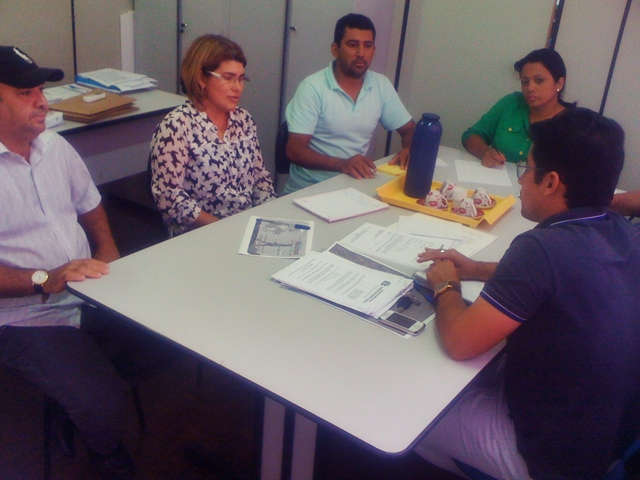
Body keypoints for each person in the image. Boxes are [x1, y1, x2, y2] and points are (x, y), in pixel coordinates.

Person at [414, 108, 640, 479]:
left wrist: (446, 283)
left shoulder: (540, 248)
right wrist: (475, 269)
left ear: (551, 182)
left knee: (416, 413)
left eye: (527, 169)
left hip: (553, 460)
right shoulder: (622, 231)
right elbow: (557, 277)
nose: (520, 181)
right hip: (610, 441)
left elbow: (459, 342)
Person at [0, 46, 134, 478]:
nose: (42, 102)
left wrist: (108, 253)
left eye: (41, 90)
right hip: (21, 317)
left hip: (86, 289)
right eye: (25, 93)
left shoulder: (55, 147)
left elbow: (90, 205)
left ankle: (72, 406)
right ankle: (105, 450)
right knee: (101, 398)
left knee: (166, 340)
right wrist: (45, 278)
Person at [150, 34, 276, 237]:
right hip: (201, 234)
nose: (237, 87)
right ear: (202, 79)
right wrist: (224, 228)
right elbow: (170, 199)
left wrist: (270, 216)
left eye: (241, 79)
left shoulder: (243, 119)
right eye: (228, 78)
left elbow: (259, 178)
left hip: (244, 226)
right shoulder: (176, 126)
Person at [283, 13, 416, 194]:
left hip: (354, 187)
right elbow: (295, 150)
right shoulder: (312, 87)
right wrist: (342, 164)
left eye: (367, 46)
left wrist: (409, 148)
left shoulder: (381, 85)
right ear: (335, 49)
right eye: (353, 45)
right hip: (308, 190)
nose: (361, 53)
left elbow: (410, 130)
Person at [463, 48, 572, 167]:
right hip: (495, 176)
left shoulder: (572, 123)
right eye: (525, 82)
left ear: (559, 83)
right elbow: (471, 135)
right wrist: (485, 152)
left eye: (539, 80)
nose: (530, 88)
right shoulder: (511, 103)